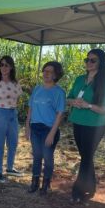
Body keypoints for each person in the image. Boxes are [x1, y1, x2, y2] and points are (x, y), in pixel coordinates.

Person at [67, 48, 105, 204]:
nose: (88, 62)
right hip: (78, 122)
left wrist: (88, 105)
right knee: (86, 157)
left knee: (86, 157)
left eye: (92, 60)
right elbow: (69, 98)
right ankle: (92, 185)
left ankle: (78, 191)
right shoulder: (79, 79)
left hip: (95, 125)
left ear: (101, 63)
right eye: (87, 60)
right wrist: (73, 102)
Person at [25, 61, 66, 196]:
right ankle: (34, 182)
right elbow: (30, 108)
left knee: (47, 157)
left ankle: (46, 184)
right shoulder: (37, 89)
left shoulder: (59, 92)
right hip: (35, 128)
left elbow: (60, 115)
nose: (46, 73)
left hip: (49, 129)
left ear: (56, 75)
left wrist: (52, 134)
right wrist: (27, 126)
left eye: (50, 71)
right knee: (37, 156)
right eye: (45, 71)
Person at [0, 55, 23, 183]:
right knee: (0, 144)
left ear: (11, 67)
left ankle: (9, 167)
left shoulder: (16, 83)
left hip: (12, 114)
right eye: (1, 65)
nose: (3, 67)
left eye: (6, 65)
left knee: (13, 142)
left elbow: (17, 100)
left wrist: (12, 111)